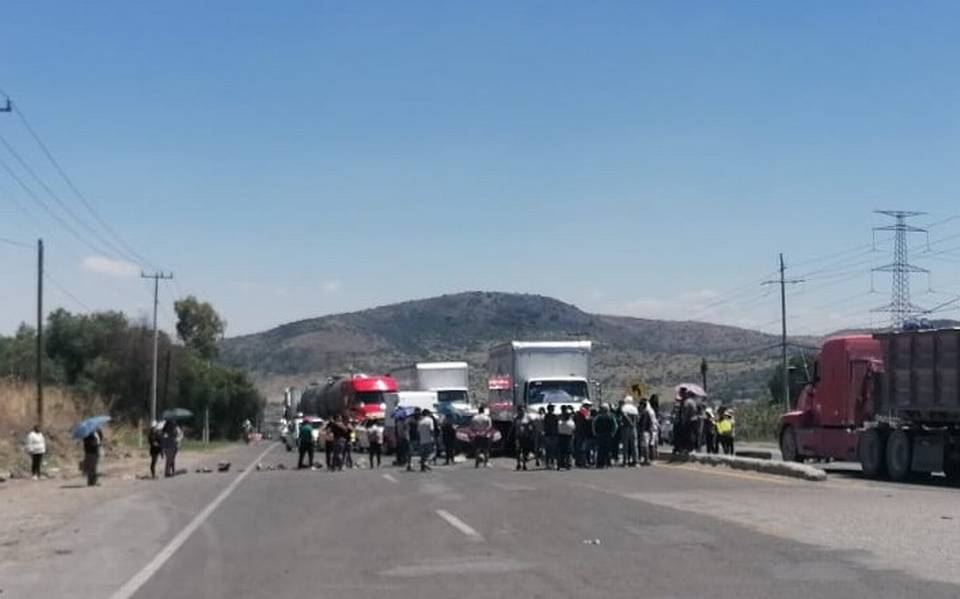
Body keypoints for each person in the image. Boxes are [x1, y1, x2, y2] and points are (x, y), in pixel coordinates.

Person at [620, 397, 639, 467]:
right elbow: (637, 418)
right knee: (634, 445)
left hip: (626, 428)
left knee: (626, 445)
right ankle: (636, 461)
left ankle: (626, 462)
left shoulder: (624, 408)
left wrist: (629, 422)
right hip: (634, 428)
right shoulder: (634, 408)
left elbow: (624, 415)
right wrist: (633, 423)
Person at [513, 406, 534, 471]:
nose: (521, 411)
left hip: (525, 436)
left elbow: (532, 425)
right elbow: (514, 426)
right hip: (518, 436)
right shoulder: (516, 417)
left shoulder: (527, 417)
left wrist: (530, 430)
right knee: (518, 450)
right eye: (520, 410)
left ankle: (524, 464)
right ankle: (518, 464)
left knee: (525, 450)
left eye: (522, 410)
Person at [638, 397, 655, 466]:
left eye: (640, 404)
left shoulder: (645, 413)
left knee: (645, 446)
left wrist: (641, 431)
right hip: (646, 431)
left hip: (645, 431)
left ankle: (646, 459)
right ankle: (646, 459)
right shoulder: (646, 412)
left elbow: (644, 423)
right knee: (645, 446)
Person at [543, 403, 559, 469]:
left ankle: (552, 462)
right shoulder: (546, 416)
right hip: (548, 435)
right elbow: (545, 425)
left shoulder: (555, 416)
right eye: (552, 408)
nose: (553, 409)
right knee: (548, 449)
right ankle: (547, 463)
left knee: (553, 450)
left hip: (554, 435)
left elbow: (557, 425)